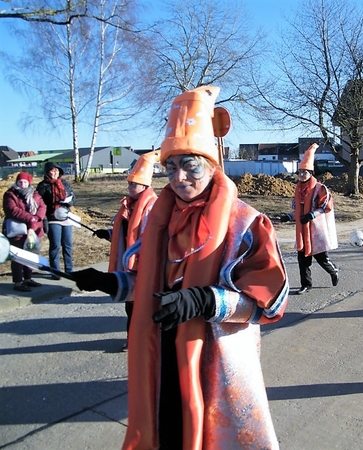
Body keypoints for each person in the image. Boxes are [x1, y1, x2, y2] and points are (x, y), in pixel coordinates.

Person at [71, 86, 289, 449]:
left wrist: (207, 301)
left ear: (211, 164)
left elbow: (272, 302)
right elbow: (153, 282)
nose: (178, 178)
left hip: (214, 363)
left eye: (190, 166)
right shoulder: (163, 218)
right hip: (161, 352)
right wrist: (111, 283)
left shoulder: (246, 224)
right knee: (169, 432)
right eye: (171, 168)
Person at [93, 151, 160, 351]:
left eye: (134, 184)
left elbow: (149, 234)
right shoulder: (128, 205)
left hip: (145, 264)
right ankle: (133, 339)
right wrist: (109, 233)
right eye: (129, 183)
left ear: (145, 186)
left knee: (143, 306)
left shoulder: (152, 206)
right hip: (129, 264)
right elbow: (126, 229)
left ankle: (145, 341)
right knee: (130, 305)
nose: (130, 187)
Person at [278, 143, 339, 295]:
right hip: (302, 232)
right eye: (299, 172)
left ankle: (333, 271)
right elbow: (297, 210)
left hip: (316, 232)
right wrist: (288, 216)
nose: (301, 175)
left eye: (304, 172)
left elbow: (326, 206)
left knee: (321, 259)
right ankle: (306, 285)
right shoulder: (298, 190)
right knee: (303, 260)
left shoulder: (320, 188)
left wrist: (311, 215)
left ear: (311, 173)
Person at [2, 172, 47, 291]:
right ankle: (18, 282)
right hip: (18, 230)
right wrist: (30, 218)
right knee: (18, 256)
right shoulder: (10, 194)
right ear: (16, 182)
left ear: (29, 183)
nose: (22, 184)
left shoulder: (35, 194)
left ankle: (28, 278)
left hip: (34, 229)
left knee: (31, 255)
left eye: (25, 182)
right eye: (20, 182)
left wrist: (37, 218)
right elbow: (12, 210)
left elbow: (42, 206)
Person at [36, 161, 76, 276]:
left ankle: (69, 270)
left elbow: (73, 197)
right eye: (52, 171)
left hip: (66, 216)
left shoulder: (64, 183)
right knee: (55, 245)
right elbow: (40, 202)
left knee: (67, 245)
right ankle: (55, 271)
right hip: (52, 217)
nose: (55, 173)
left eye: (57, 170)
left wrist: (69, 202)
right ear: (47, 172)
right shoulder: (43, 185)